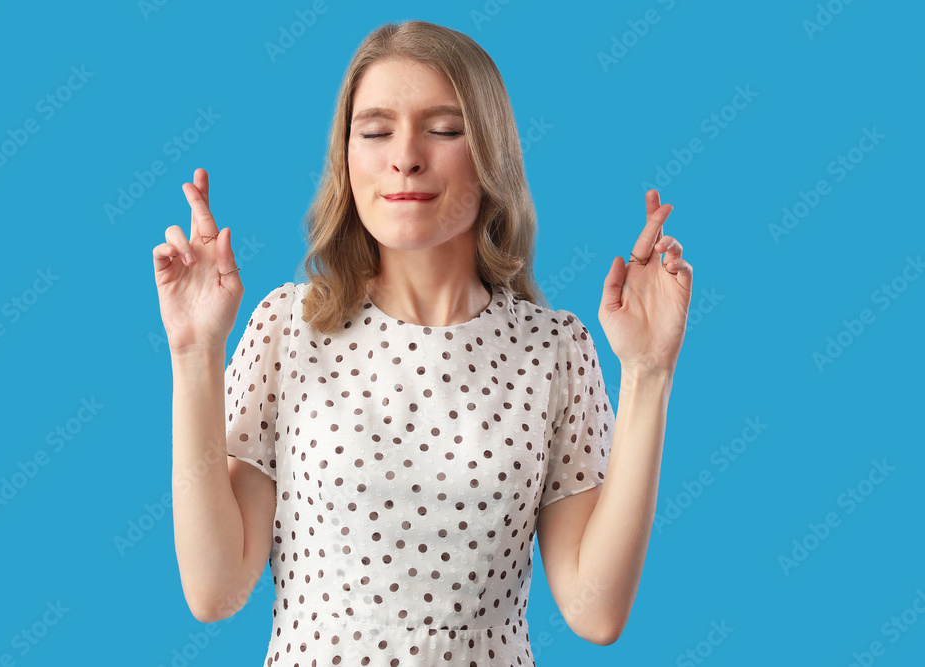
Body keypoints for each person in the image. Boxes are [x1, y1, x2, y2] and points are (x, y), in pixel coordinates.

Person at [153, 19, 692, 666]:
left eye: (443, 129)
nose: (405, 156)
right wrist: (194, 351)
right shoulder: (287, 329)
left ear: (491, 154)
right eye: (375, 131)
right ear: (346, 158)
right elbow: (214, 591)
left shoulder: (554, 350)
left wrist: (648, 369)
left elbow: (595, 611)